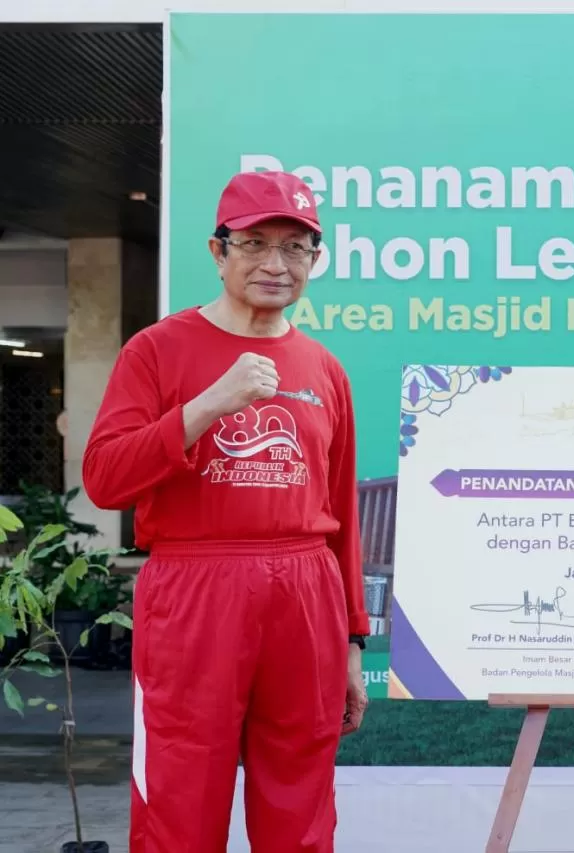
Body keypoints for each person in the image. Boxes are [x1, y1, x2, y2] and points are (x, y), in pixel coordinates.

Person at [82, 170, 371, 853]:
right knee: (180, 794)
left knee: (301, 801)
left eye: (297, 247)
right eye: (255, 243)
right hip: (194, 588)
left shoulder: (324, 369)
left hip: (305, 593)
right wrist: (206, 405)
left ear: (315, 259)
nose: (277, 263)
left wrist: (353, 641)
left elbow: (341, 515)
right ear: (218, 252)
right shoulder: (157, 350)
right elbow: (104, 478)